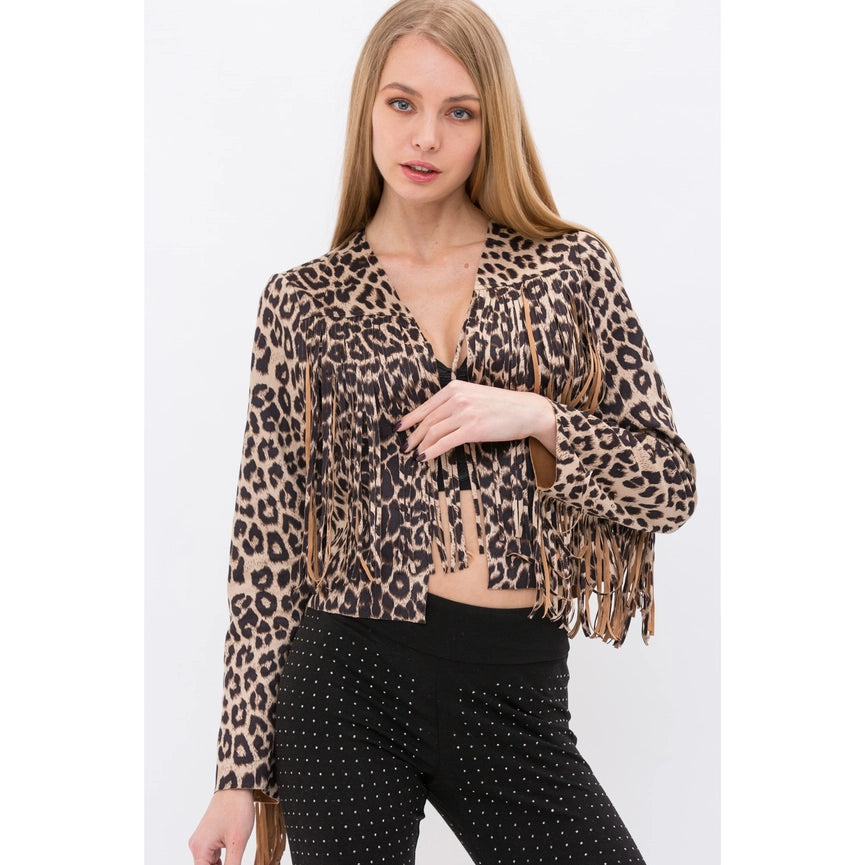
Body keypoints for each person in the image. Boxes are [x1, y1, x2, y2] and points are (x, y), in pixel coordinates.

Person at [189, 1, 697, 862]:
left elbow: (669, 485)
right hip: (345, 677)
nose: (425, 136)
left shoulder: (568, 269)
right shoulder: (303, 300)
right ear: (367, 108)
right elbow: (265, 548)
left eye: (459, 112)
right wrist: (237, 775)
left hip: (513, 684)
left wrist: (537, 418)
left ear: (491, 125)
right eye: (402, 103)